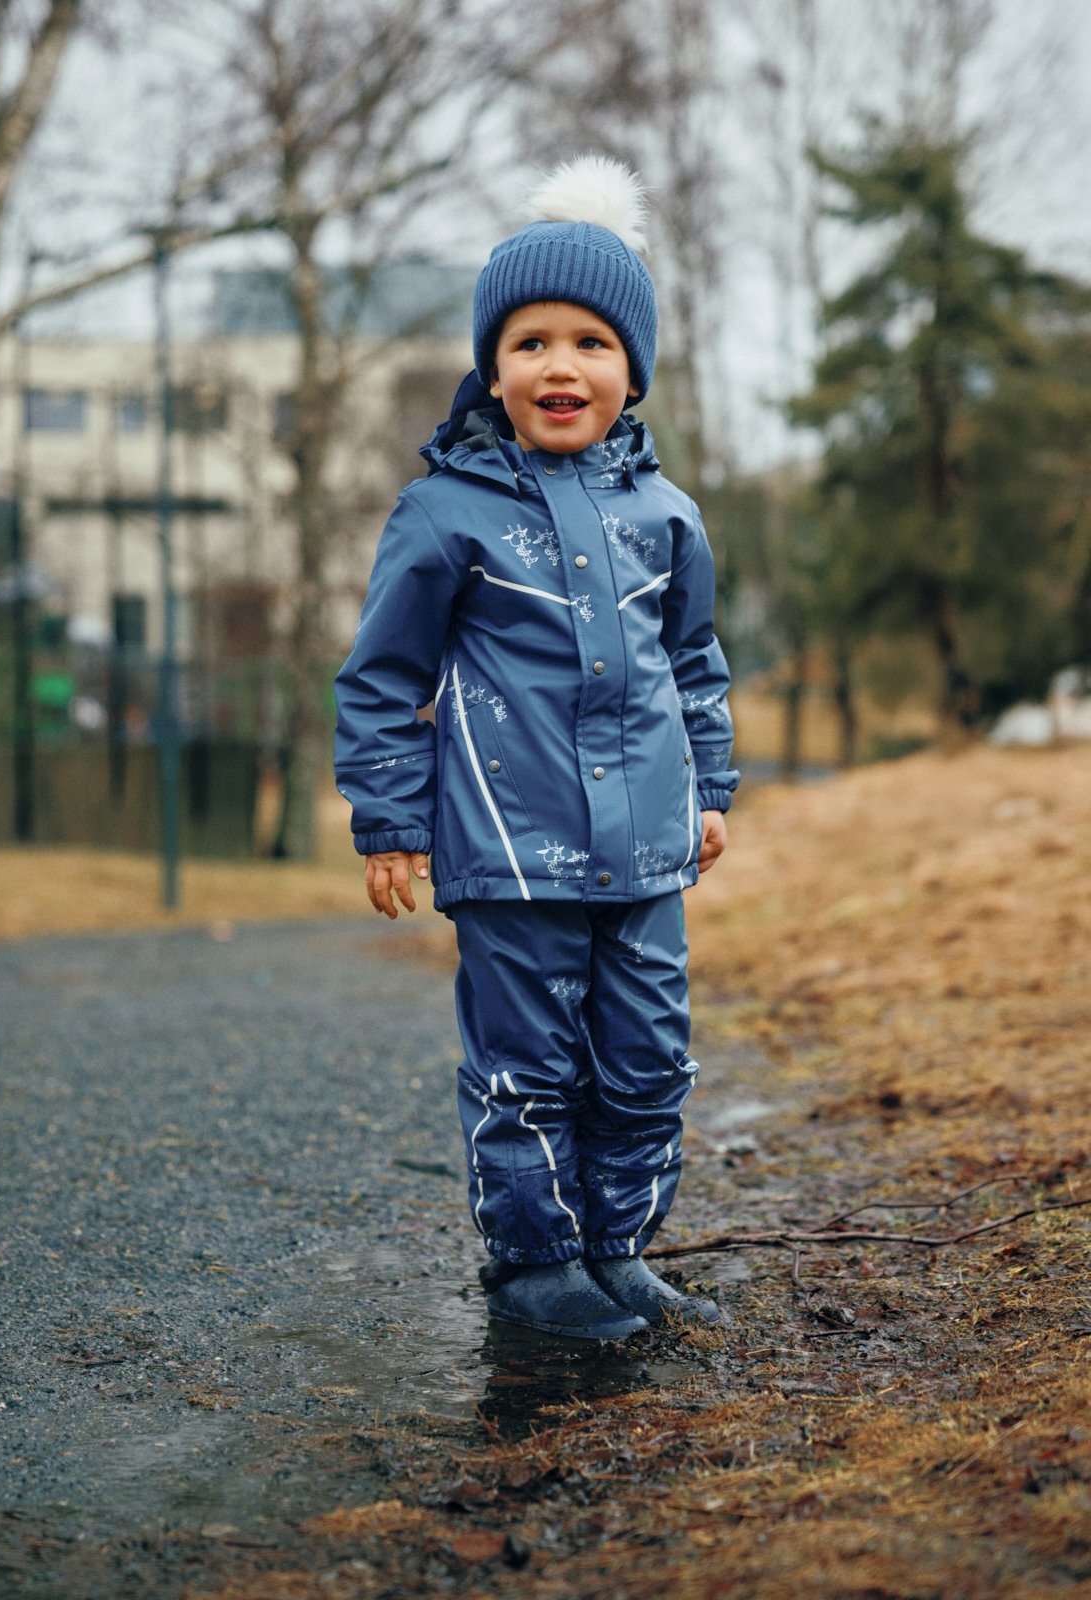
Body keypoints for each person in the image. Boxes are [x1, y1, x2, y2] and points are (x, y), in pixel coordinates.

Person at [334, 155, 739, 1340]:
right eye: (530, 342)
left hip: (651, 850)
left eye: (591, 342)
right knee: (528, 1062)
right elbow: (383, 677)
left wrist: (711, 788)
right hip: (511, 854)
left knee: (651, 1056)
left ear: (633, 369)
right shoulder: (445, 512)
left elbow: (696, 665)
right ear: (493, 367)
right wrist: (393, 819)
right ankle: (533, 1260)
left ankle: (619, 1246)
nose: (560, 365)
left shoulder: (670, 517)